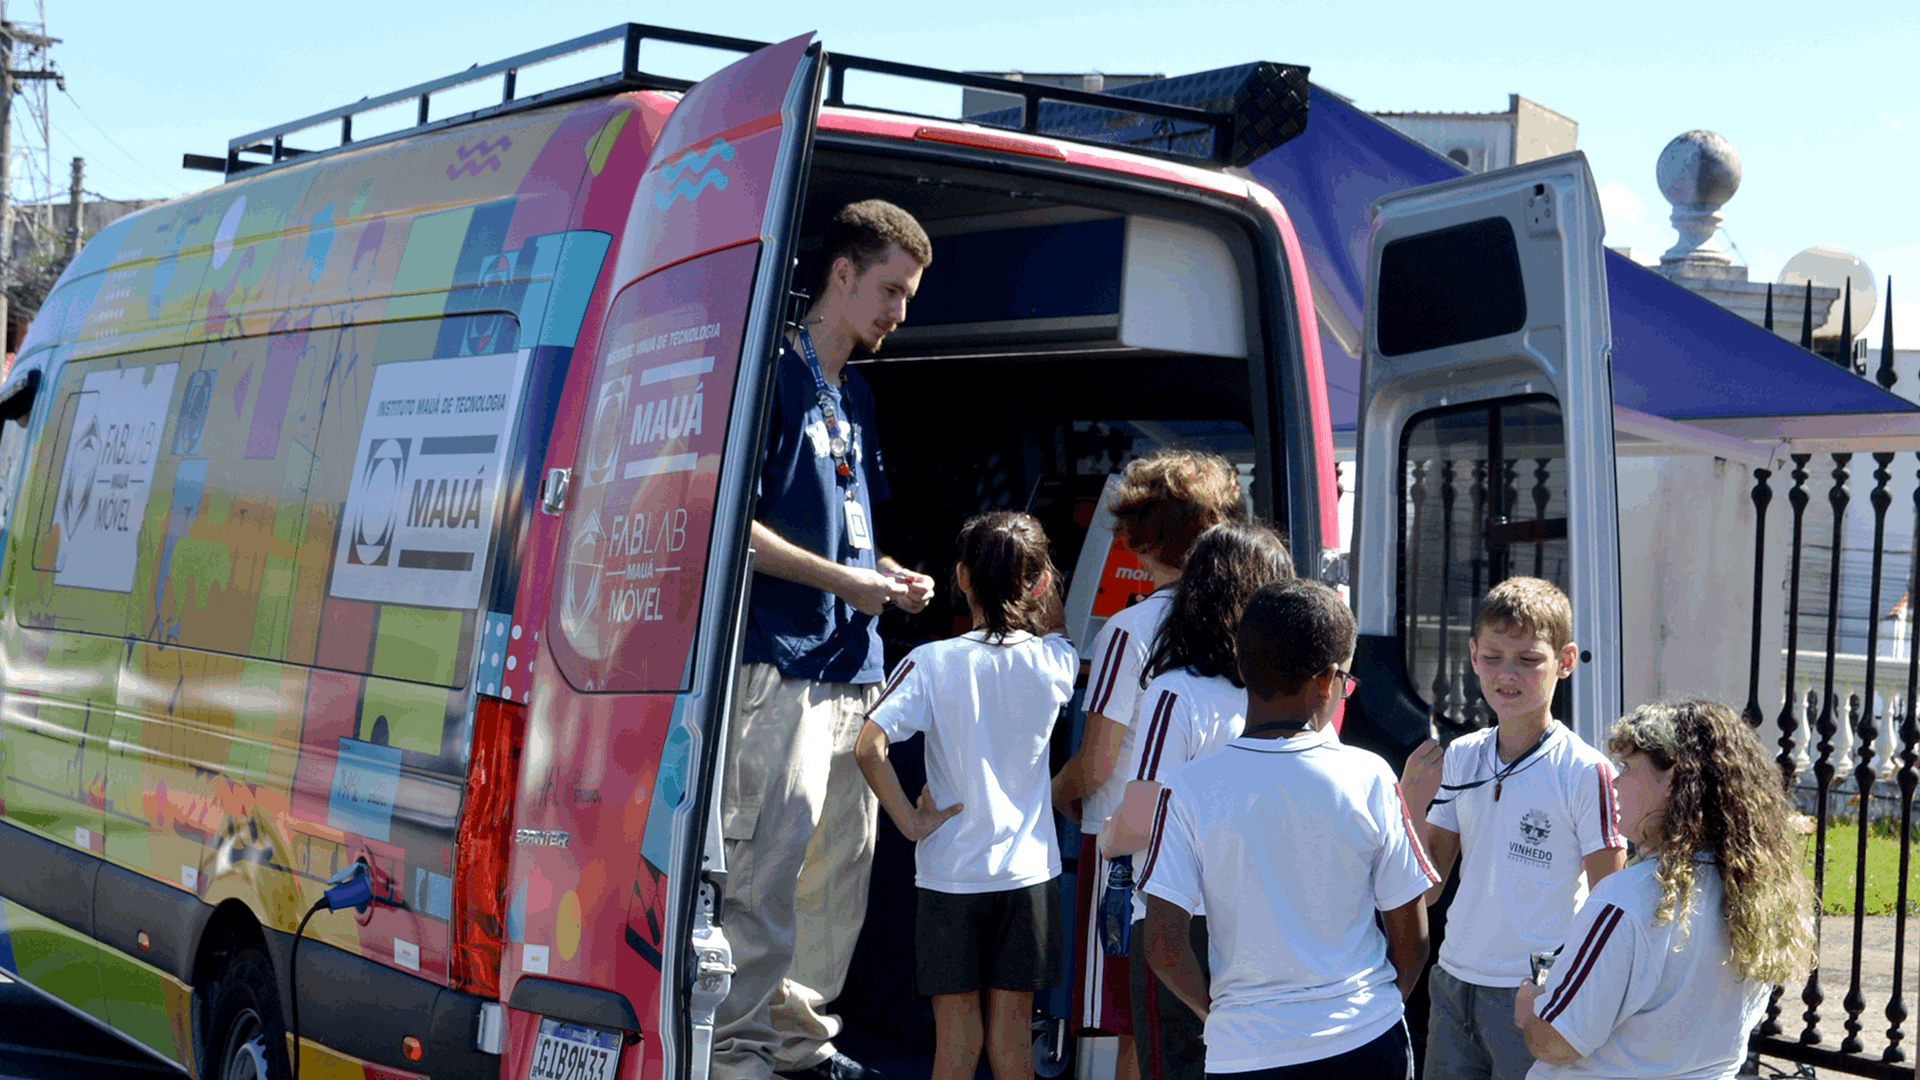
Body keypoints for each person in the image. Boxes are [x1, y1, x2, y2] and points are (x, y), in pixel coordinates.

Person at [715, 199, 939, 1080]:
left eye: (909, 296)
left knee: (835, 879)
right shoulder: (770, 376)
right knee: (765, 877)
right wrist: (849, 581)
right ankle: (733, 1053)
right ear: (840, 275)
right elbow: (735, 526)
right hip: (780, 665)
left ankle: (798, 1044)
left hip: (854, 665)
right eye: (890, 290)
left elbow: (844, 531)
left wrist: (889, 573)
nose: (899, 313)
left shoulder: (858, 394)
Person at [1141, 580, 1437, 1078]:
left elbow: (1164, 945)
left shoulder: (1187, 789)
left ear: (1241, 664)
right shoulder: (1371, 777)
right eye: (1345, 680)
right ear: (1326, 682)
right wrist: (1376, 1009)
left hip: (1244, 1052)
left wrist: (1219, 1017)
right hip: (1366, 1039)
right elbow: (1413, 938)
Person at [856, 511, 1077, 1080]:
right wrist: (1039, 585)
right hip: (1029, 876)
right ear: (1042, 582)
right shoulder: (1057, 661)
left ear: (960, 577)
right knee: (1011, 1041)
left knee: (956, 1043)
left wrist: (908, 821)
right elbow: (1054, 624)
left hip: (951, 873)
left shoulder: (931, 662)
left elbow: (868, 747)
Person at [1051, 449, 1245, 1073]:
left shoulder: (1129, 629)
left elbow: (1099, 764)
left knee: (1135, 1028)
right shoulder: (1244, 625)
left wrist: (1054, 790)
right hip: (1216, 860)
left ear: (1141, 533)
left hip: (1126, 860)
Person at [1399, 577, 1629, 1080]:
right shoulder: (1461, 755)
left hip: (1534, 993)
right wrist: (1409, 805)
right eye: (1494, 657)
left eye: (1528, 660)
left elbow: (1610, 903)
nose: (1508, 674)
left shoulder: (1586, 771)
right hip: (1454, 981)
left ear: (1565, 661)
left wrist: (1556, 989)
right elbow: (1430, 888)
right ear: (1474, 655)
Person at [1513, 699, 1816, 1078]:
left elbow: (1558, 1040)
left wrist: (1530, 1010)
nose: (1615, 780)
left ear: (1672, 778)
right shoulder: (1757, 894)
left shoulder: (1625, 900)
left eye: (1626, 767)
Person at [1096, 522, 1293, 1080]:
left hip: (1179, 922)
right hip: (1261, 922)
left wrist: (1109, 834)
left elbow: (1142, 817)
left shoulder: (1175, 690)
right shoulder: (1280, 697)